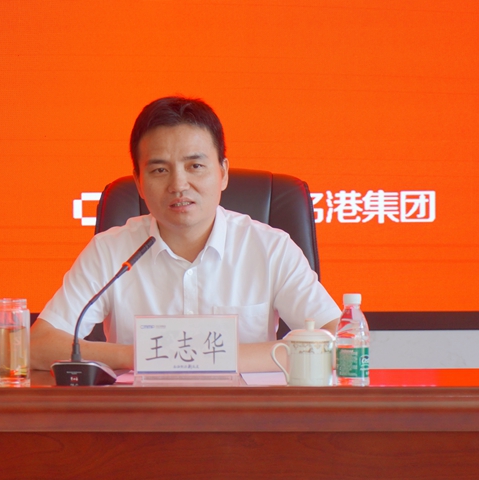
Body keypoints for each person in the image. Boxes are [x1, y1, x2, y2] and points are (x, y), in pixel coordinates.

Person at [30, 96, 340, 372]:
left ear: (223, 173)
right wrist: (140, 356)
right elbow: (40, 344)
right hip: (141, 415)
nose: (178, 185)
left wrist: (213, 358)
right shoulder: (111, 251)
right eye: (160, 170)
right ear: (139, 182)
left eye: (195, 166)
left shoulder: (270, 248)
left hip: (245, 416)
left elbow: (338, 341)